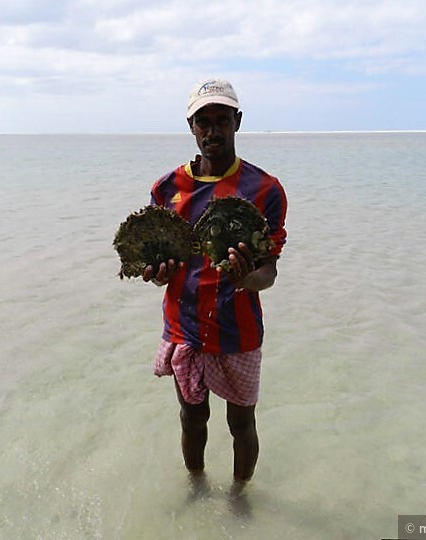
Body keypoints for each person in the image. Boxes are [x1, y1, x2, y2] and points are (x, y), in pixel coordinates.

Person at [143, 78, 287, 486]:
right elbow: (162, 264)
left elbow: (268, 272)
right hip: (184, 326)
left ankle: (241, 497)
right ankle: (197, 487)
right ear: (191, 126)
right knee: (191, 417)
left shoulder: (265, 190)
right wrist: (157, 274)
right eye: (203, 122)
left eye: (221, 120)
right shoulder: (166, 189)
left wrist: (245, 276)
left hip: (238, 329)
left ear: (237, 121)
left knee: (242, 423)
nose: (212, 131)